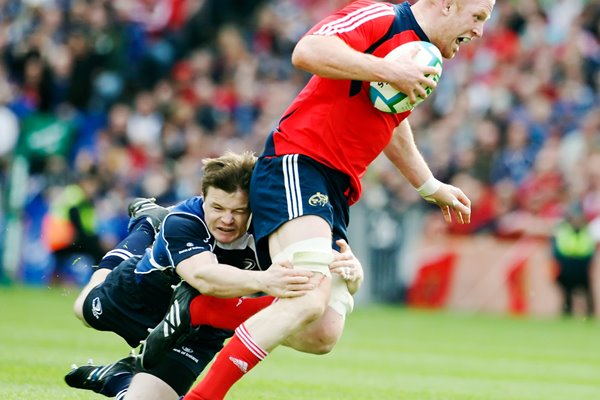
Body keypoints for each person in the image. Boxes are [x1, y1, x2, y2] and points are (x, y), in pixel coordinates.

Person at [176, 0, 492, 398]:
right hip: (298, 162)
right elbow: (308, 50)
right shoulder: (384, 19)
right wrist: (389, 69)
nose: (479, 31)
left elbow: (391, 122)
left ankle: (202, 312)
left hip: (334, 190)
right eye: (477, 17)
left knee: (322, 331)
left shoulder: (419, 55)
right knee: (306, 296)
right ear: (447, 5)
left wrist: (429, 184)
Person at [65, 151, 316, 400]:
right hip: (141, 296)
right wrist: (265, 280)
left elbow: (310, 272)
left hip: (202, 325)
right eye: (217, 207)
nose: (227, 219)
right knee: (82, 310)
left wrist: (348, 270)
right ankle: (147, 223)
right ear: (203, 197)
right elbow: (202, 277)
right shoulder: (184, 219)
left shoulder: (268, 230)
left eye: (238, 211)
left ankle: (117, 378)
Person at [551, 203, 596, 317]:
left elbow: (589, 250)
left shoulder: (586, 232)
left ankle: (590, 314)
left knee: (587, 292)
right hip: (567, 267)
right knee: (567, 292)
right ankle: (567, 313)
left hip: (582, 267)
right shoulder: (563, 231)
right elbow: (558, 251)